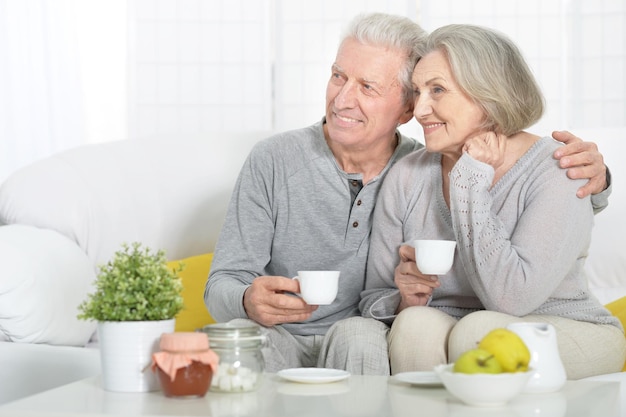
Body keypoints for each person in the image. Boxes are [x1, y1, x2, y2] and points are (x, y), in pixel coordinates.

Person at [204, 13, 612, 376]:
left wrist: (598, 180)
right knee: (411, 329)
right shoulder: (395, 172)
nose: (343, 99)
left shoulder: (553, 165)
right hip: (298, 334)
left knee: (440, 332)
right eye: (338, 76)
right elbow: (225, 282)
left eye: (367, 86)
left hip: (419, 332)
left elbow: (543, 218)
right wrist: (246, 300)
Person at [360, 23, 625, 379]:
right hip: (457, 321)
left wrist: (469, 181)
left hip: (563, 325)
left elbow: (511, 300)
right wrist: (404, 297)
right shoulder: (407, 175)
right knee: (413, 326)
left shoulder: (559, 168)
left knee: (480, 333)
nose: (420, 110)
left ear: (488, 93)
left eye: (437, 90)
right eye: (417, 91)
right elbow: (373, 297)